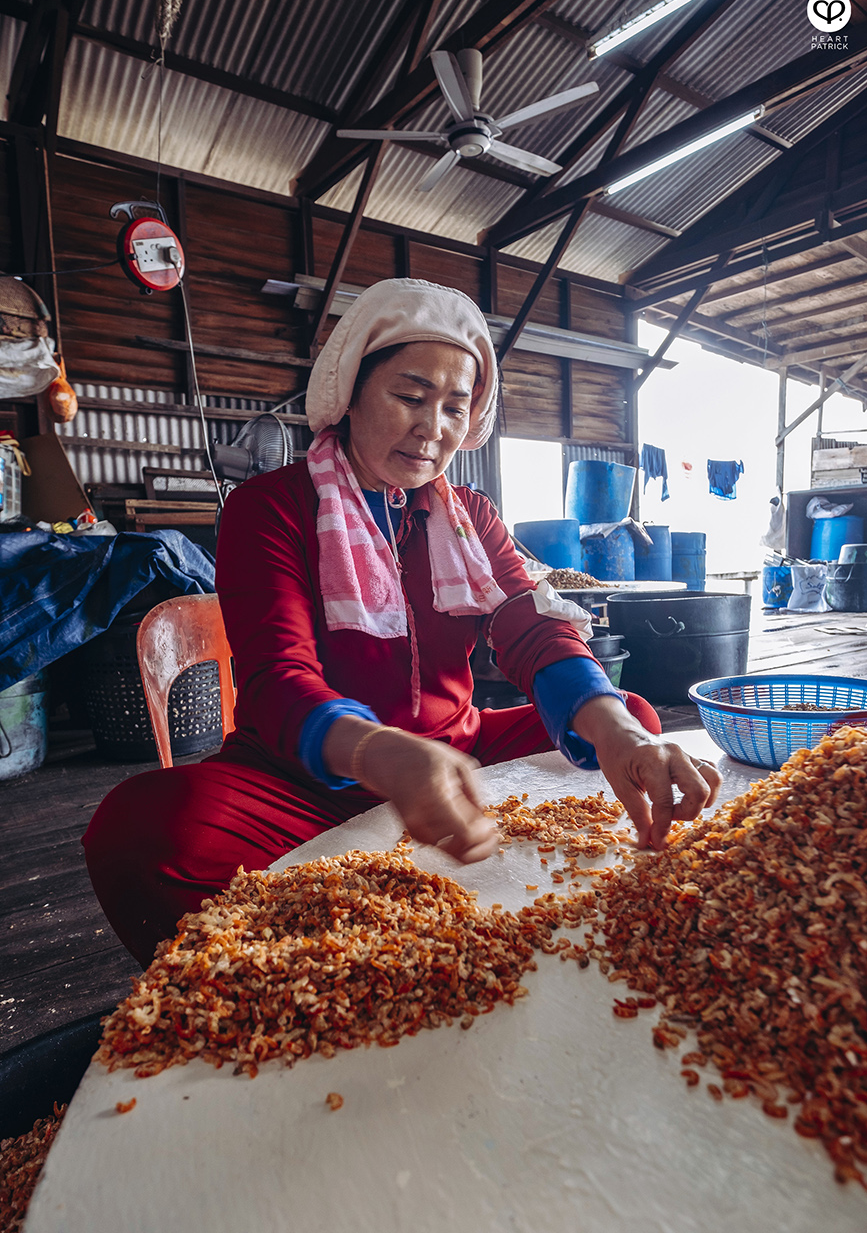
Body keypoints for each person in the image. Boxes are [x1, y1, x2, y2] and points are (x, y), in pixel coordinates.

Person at [83, 279, 721, 966]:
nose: (432, 428)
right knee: (142, 829)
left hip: (455, 753)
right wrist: (382, 754)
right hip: (303, 778)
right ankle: (282, 975)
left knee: (621, 715)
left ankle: (466, 868)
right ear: (349, 392)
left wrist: (619, 729)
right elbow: (277, 676)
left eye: (455, 407)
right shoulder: (272, 506)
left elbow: (530, 627)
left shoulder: (467, 516)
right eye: (410, 397)